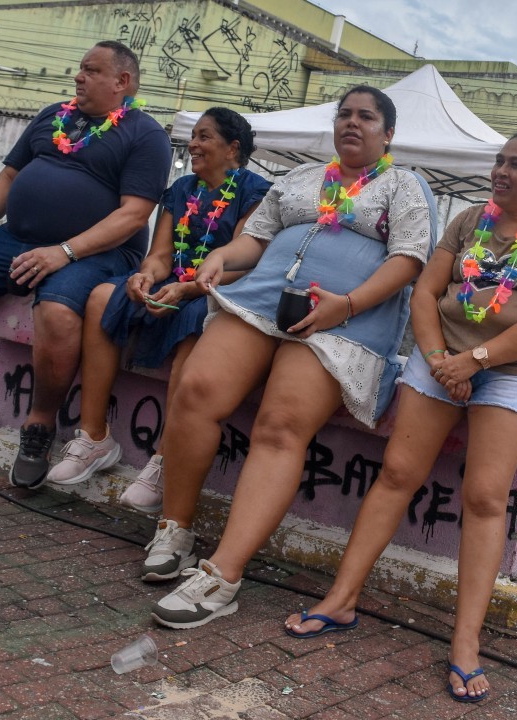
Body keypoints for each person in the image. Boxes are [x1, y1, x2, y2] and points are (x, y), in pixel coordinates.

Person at [282, 130, 517, 703]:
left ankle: (465, 643)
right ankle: (341, 598)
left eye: (515, 164)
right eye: (498, 160)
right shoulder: (470, 220)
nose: (500, 170)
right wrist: (443, 359)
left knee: (486, 496)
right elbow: (426, 293)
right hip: (441, 358)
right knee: (397, 473)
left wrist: (476, 360)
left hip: (515, 370)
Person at [143, 86, 437, 626]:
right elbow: (253, 241)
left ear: (388, 133)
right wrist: (219, 258)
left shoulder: (405, 187)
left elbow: (410, 260)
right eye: (344, 114)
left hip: (343, 321)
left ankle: (222, 575)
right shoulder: (300, 180)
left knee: (280, 424)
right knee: (197, 388)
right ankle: (174, 528)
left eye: (366, 117)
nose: (352, 123)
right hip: (260, 302)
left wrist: (343, 305)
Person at [0, 41, 170, 490]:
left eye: (91, 70)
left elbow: (134, 214)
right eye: (79, 69)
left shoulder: (145, 134)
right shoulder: (53, 115)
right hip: (18, 238)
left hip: (98, 251)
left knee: (58, 309)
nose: (78, 77)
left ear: (122, 82)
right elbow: (9, 175)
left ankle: (39, 426)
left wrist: (63, 252)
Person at [44, 108, 272, 510]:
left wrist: (188, 291)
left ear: (232, 148)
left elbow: (247, 266)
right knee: (101, 297)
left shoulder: (257, 193)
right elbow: (161, 255)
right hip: (177, 282)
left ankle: (166, 459)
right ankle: (95, 437)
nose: (194, 145)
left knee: (196, 323)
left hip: (221, 292)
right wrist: (146, 277)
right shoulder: (183, 188)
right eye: (194, 137)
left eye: (204, 137)